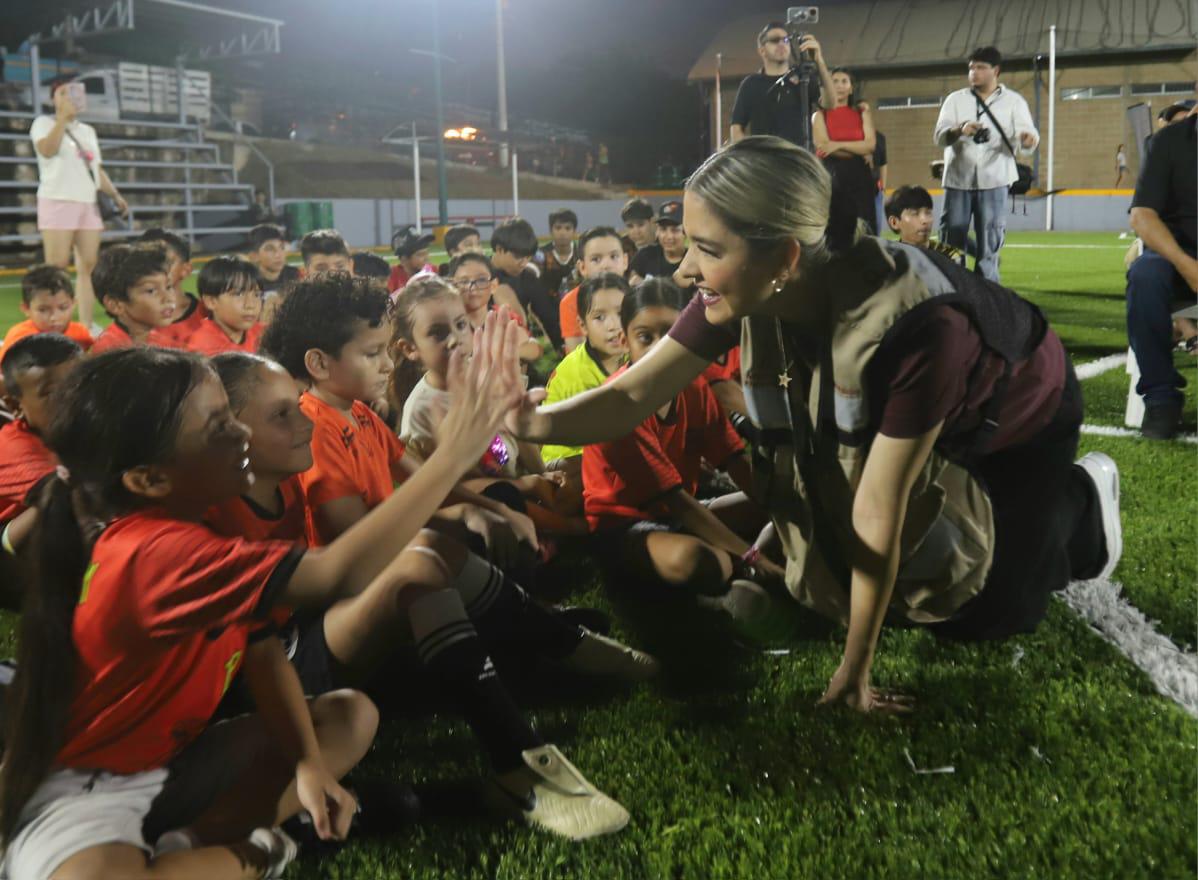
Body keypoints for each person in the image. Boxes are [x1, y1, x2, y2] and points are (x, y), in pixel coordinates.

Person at [507, 136, 1123, 714]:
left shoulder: (917, 326)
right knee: (850, 568)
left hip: (1018, 418)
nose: (688, 269)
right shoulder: (756, 280)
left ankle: (1080, 502)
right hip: (930, 405)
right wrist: (527, 420)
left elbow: (880, 510)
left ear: (784, 256)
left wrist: (855, 671)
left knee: (981, 614)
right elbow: (631, 394)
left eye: (708, 249)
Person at [207, 351, 639, 841]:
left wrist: (469, 503)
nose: (301, 419)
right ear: (229, 432)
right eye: (281, 414)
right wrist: (457, 463)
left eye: (296, 405)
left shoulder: (286, 477)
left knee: (432, 555)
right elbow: (340, 572)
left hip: (296, 635)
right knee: (421, 562)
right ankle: (525, 733)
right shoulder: (216, 514)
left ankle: (550, 655)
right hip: (265, 674)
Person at [0, 347, 380, 880]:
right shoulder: (152, 552)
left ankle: (189, 844)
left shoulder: (206, 526)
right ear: (150, 480)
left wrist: (308, 764)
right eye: (217, 425)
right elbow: (338, 572)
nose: (241, 434)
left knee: (348, 715)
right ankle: (260, 851)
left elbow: (262, 648)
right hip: (88, 786)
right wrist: (456, 448)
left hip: (171, 761)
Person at [258, 272, 540, 558]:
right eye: (372, 353)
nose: (388, 365)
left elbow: (421, 480)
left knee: (495, 507)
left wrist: (494, 509)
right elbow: (359, 538)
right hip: (363, 573)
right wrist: (459, 510)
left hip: (390, 550)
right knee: (444, 548)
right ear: (319, 363)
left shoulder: (359, 413)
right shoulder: (316, 430)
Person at [582, 278, 777, 619]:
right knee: (702, 561)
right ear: (625, 340)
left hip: (682, 511)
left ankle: (740, 564)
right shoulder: (618, 404)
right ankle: (723, 582)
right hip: (625, 526)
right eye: (646, 337)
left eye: (671, 335)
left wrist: (783, 510)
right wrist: (752, 556)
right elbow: (675, 500)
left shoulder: (694, 388)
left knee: (773, 505)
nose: (660, 348)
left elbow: (735, 462)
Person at [389, 277, 583, 535]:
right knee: (506, 497)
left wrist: (541, 474)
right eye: (438, 332)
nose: (454, 339)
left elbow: (519, 439)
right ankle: (572, 530)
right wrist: (527, 484)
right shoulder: (422, 409)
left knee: (585, 463)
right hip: (492, 497)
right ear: (410, 348)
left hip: (520, 475)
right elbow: (451, 487)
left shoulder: (485, 375)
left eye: (460, 325)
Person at [934, 46, 1039, 282]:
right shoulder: (955, 100)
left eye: (981, 67)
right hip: (958, 179)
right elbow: (939, 136)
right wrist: (960, 129)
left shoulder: (1014, 101)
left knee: (990, 240)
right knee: (951, 237)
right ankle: (951, 285)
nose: (974, 72)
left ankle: (988, 292)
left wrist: (1028, 139)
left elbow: (1028, 133)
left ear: (996, 71)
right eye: (971, 67)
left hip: (996, 179)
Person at [30, 81, 129, 330]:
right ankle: (51, 324)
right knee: (57, 267)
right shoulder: (43, 123)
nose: (72, 98)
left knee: (88, 266)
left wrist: (115, 195)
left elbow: (96, 169)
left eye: (75, 93)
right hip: (58, 199)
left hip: (87, 202)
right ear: (54, 98)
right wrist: (61, 120)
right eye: (64, 93)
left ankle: (85, 323)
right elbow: (47, 150)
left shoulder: (87, 130)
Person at [1126, 110, 1197, 440]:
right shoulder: (1169, 141)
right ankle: (1161, 400)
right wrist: (1187, 266)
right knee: (1145, 274)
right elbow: (1142, 216)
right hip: (1179, 258)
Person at [0, 335, 82, 559]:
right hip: (10, 553)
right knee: (63, 492)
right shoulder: (11, 447)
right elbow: (64, 493)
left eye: (78, 385)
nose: (72, 399)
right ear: (15, 405)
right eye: (53, 393)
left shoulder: (82, 424)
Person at [541, 274, 630, 471]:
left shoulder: (630, 354)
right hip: (566, 463)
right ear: (583, 326)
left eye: (622, 313)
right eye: (600, 317)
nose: (613, 326)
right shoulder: (576, 375)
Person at [729, 23, 835, 147]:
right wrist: (750, 156)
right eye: (774, 40)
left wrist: (819, 61)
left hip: (799, 158)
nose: (781, 44)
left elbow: (830, 104)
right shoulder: (751, 84)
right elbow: (736, 128)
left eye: (786, 40)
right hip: (766, 160)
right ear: (762, 50)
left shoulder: (803, 77)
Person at [445, 252, 543, 367]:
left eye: (481, 280)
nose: (473, 287)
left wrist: (506, 353)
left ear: (494, 286)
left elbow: (535, 349)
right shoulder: (446, 323)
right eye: (464, 281)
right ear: (452, 286)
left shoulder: (503, 319)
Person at [812, 69, 877, 234]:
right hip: (832, 175)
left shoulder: (862, 112)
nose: (839, 86)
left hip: (861, 177)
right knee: (836, 228)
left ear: (851, 88)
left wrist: (837, 145)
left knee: (866, 227)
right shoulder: (819, 115)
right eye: (834, 81)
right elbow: (823, 147)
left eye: (844, 81)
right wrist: (857, 149)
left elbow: (870, 145)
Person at [89, 243, 178, 354]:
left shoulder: (164, 339)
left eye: (168, 287)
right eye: (151, 290)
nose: (168, 298)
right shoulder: (111, 352)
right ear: (115, 305)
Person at [491, 218, 563, 352]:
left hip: (520, 348)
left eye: (528, 257)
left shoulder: (527, 277)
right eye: (518, 257)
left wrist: (563, 349)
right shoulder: (480, 276)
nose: (524, 263)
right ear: (499, 249)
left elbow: (548, 317)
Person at [558, 227, 630, 353]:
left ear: (625, 261)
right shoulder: (571, 302)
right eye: (596, 259)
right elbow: (576, 352)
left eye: (614, 256)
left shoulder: (638, 296)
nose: (606, 265)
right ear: (582, 267)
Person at [185, 256, 266, 356]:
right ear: (211, 301)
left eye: (257, 295)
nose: (250, 305)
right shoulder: (204, 346)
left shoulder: (263, 333)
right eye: (238, 294)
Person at [2, 265, 93, 351]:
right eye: (43, 310)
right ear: (26, 308)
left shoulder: (80, 334)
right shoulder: (20, 339)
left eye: (63, 308)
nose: (54, 317)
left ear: (73, 304)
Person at [140, 229, 204, 348]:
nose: (153, 269)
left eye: (165, 262)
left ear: (186, 270)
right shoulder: (131, 320)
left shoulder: (208, 316)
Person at [629, 201, 687, 285]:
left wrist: (646, 285)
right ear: (658, 231)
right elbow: (632, 282)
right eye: (663, 229)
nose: (669, 236)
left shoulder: (692, 262)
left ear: (686, 232)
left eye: (675, 230)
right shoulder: (645, 255)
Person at [537, 208, 578, 295]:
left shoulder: (582, 254)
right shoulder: (541, 254)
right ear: (551, 231)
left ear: (574, 231)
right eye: (558, 228)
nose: (562, 233)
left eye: (567, 228)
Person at [387, 225, 436, 294]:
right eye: (420, 254)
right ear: (404, 259)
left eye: (427, 253)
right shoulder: (391, 277)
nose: (426, 258)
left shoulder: (434, 271)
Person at [872, 130, 888, 233]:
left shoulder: (879, 137)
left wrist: (883, 187)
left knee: (876, 227)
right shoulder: (851, 137)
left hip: (875, 191)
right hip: (855, 192)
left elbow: (883, 163)